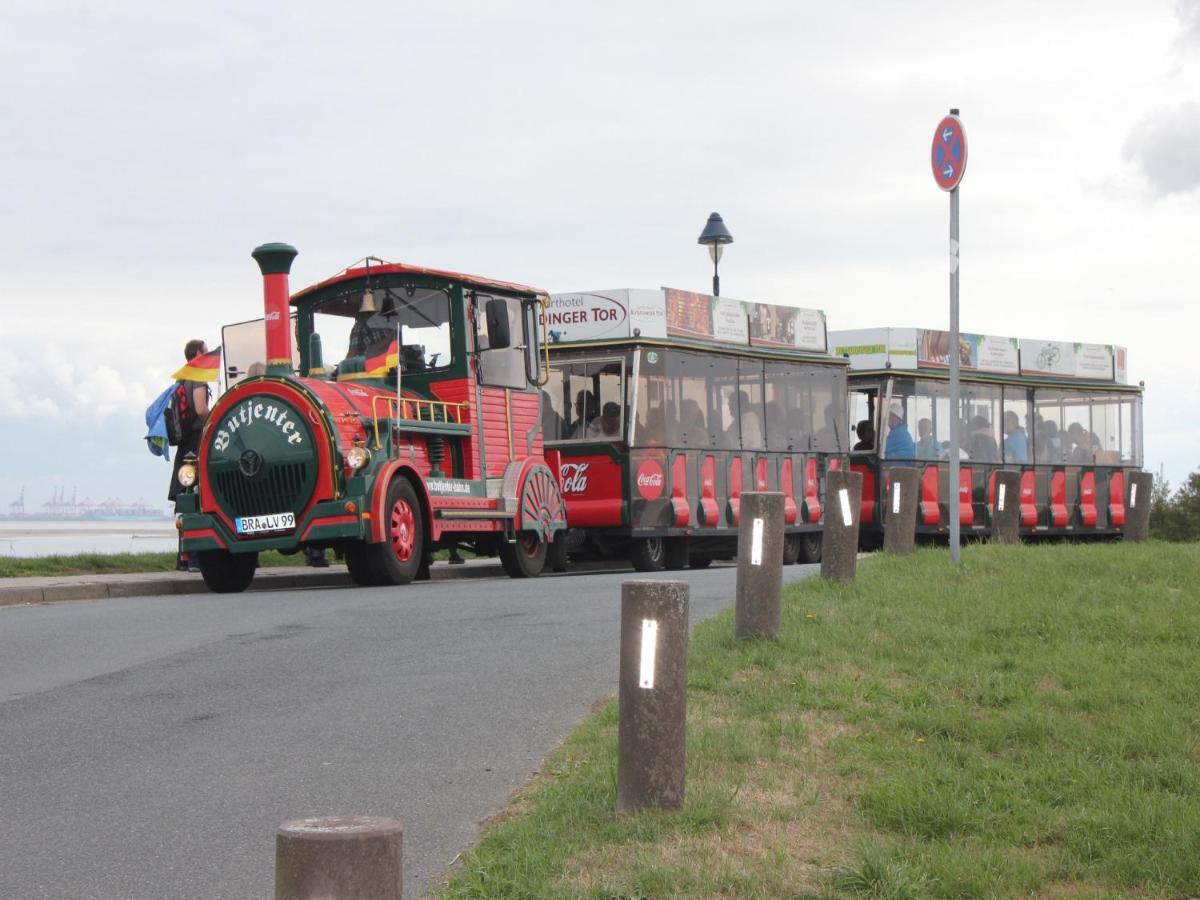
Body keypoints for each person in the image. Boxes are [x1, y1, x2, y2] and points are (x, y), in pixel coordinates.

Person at [168, 339, 213, 571]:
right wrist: (214, 422)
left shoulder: (182, 377)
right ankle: (195, 558)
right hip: (196, 441)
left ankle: (183, 557)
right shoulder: (198, 376)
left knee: (185, 500)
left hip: (184, 445)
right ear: (198, 353)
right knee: (198, 498)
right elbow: (200, 409)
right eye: (206, 351)